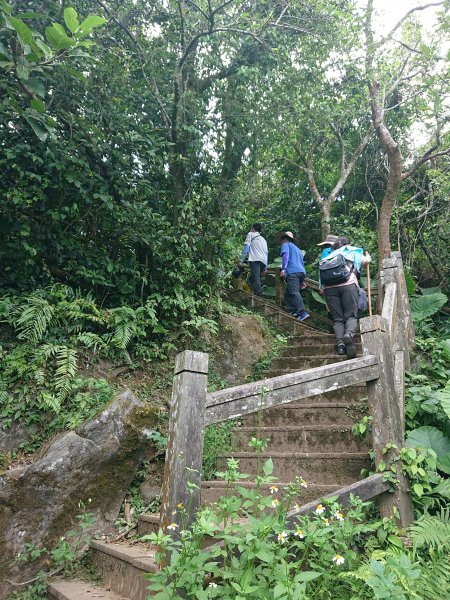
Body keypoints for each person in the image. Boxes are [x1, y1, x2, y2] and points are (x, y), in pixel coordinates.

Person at [319, 237, 371, 358]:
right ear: (347, 244)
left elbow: (321, 274)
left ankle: (341, 345)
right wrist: (368, 257)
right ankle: (348, 334)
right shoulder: (350, 250)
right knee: (350, 315)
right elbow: (364, 261)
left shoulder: (329, 256)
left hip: (329, 288)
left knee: (337, 319)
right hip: (348, 285)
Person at [278, 231, 310, 322]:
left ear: (284, 239)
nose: (281, 242)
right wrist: (302, 279)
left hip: (292, 272)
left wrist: (283, 269)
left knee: (293, 291)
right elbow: (300, 262)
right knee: (287, 294)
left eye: (281, 240)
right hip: (301, 272)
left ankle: (302, 312)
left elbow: (286, 256)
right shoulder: (298, 249)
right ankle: (294, 311)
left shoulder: (285, 245)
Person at [239, 223, 268, 297]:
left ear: (253, 229)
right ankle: (254, 292)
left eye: (251, 228)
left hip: (255, 260)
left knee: (255, 279)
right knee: (252, 278)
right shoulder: (263, 239)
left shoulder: (251, 234)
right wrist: (265, 267)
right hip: (264, 261)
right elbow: (266, 253)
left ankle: (259, 297)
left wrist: (241, 260)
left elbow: (246, 248)